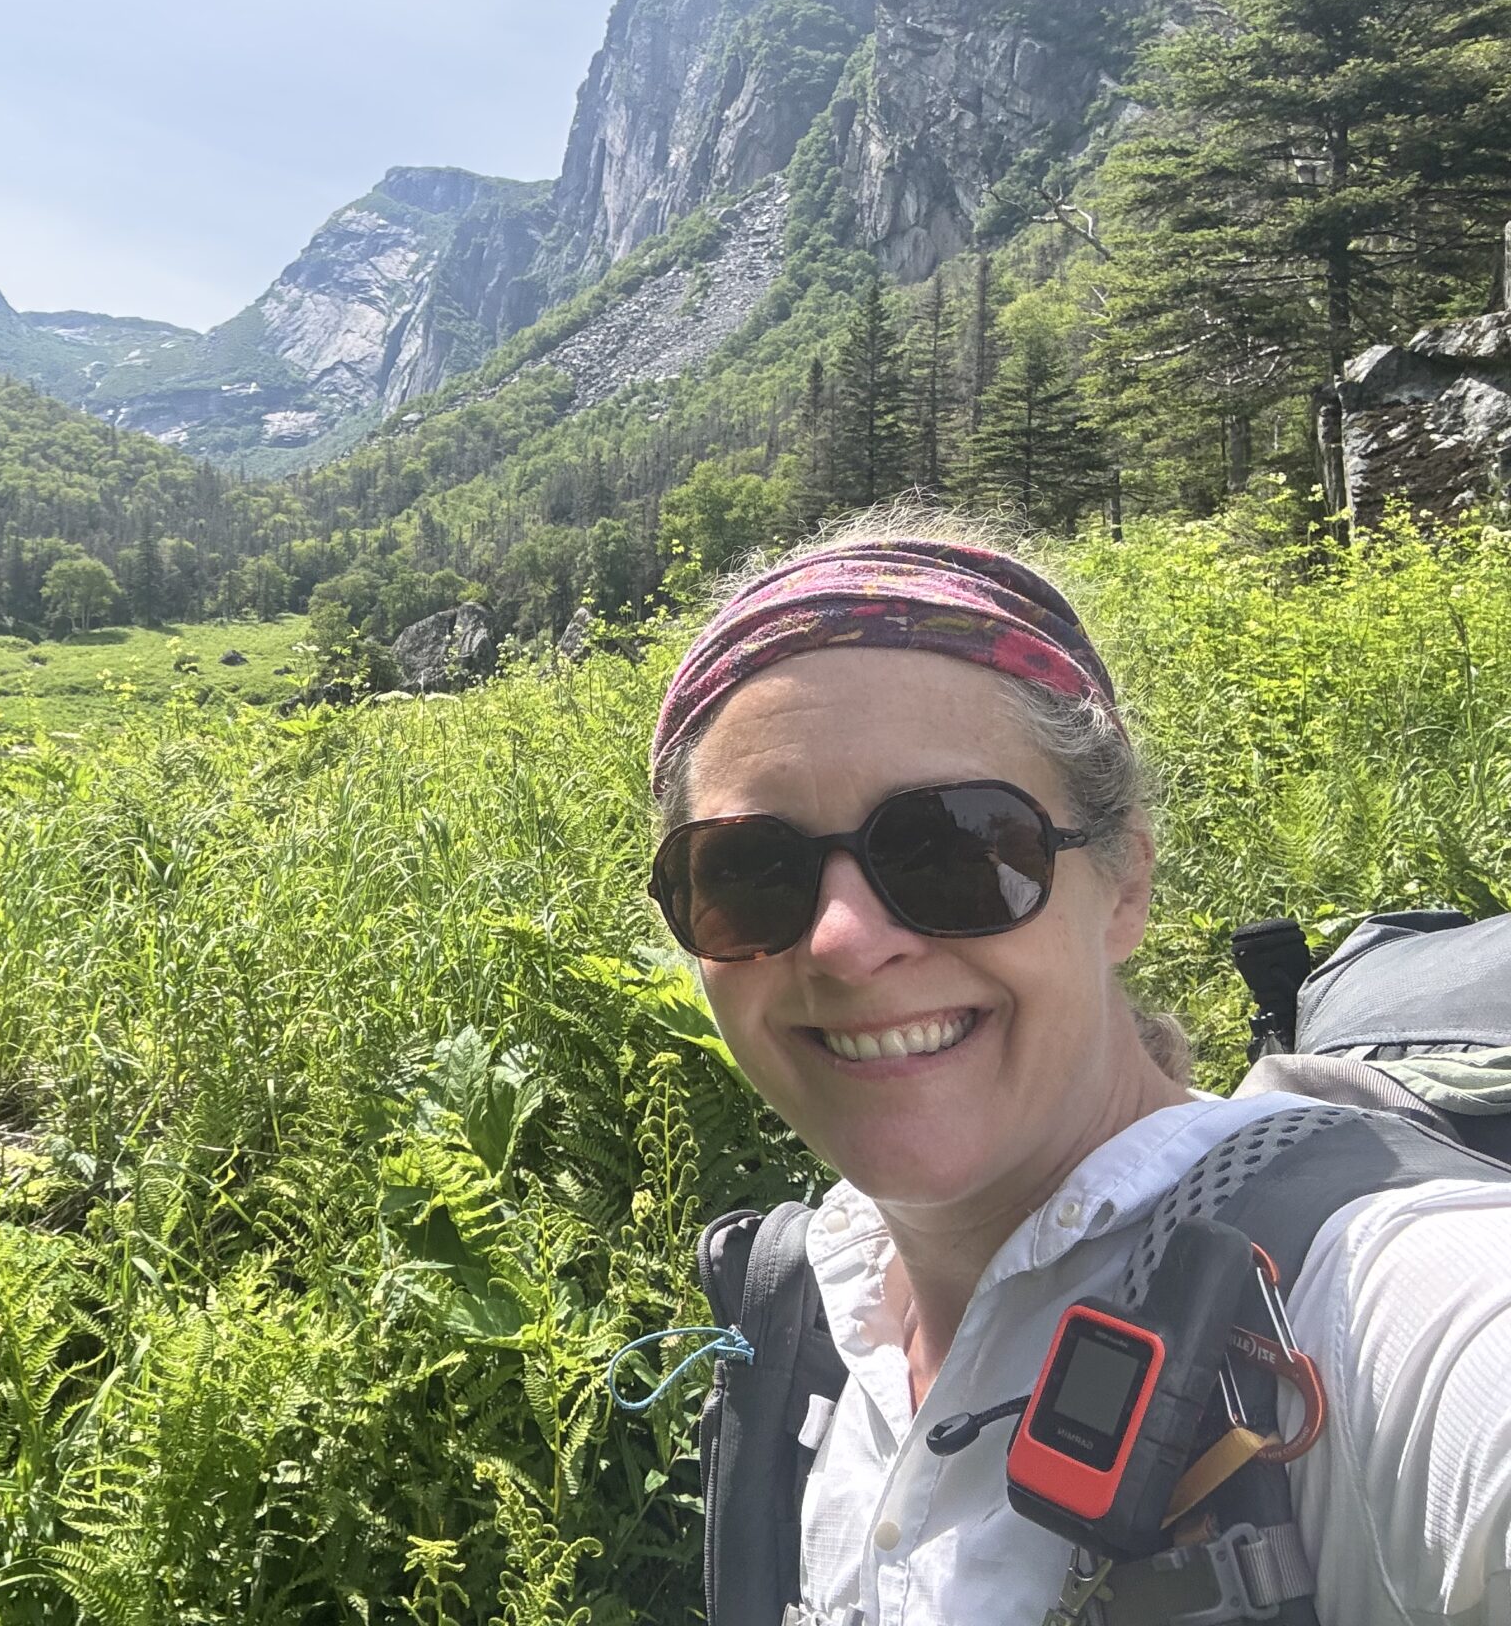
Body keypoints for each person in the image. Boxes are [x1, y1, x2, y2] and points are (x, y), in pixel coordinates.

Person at [645, 520, 1511, 1625]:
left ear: (1125, 881)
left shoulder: (1374, 1302)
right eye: (751, 872)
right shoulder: (809, 1304)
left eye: (953, 849)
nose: (842, 941)